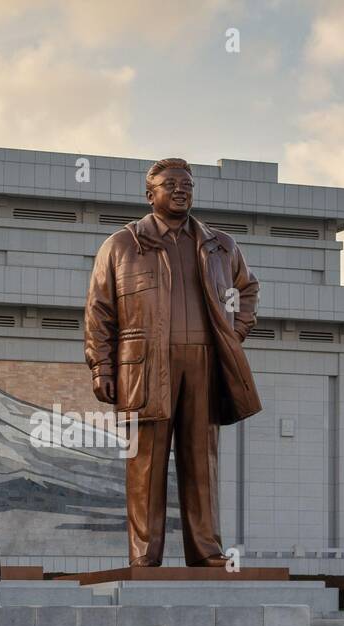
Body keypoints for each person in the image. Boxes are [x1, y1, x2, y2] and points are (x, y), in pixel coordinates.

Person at [84, 157, 262, 566]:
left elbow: (246, 289)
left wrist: (234, 334)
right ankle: (144, 555)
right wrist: (101, 366)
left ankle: (207, 551)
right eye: (170, 184)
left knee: (202, 461)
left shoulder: (220, 245)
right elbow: (100, 311)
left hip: (203, 363)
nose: (181, 190)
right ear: (150, 195)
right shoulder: (122, 245)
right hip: (145, 366)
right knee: (144, 464)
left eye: (187, 184)